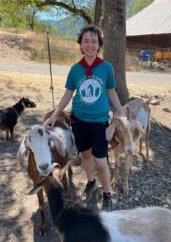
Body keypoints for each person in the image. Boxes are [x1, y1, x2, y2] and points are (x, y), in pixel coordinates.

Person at [43, 25, 125, 212]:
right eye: (86, 41)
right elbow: (68, 94)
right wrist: (55, 115)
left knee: (101, 162)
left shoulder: (106, 68)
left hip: (100, 123)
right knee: (86, 155)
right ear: (80, 44)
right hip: (79, 121)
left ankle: (106, 194)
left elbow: (111, 91)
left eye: (93, 41)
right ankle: (90, 182)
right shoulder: (75, 70)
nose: (89, 45)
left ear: (99, 45)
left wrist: (120, 111)